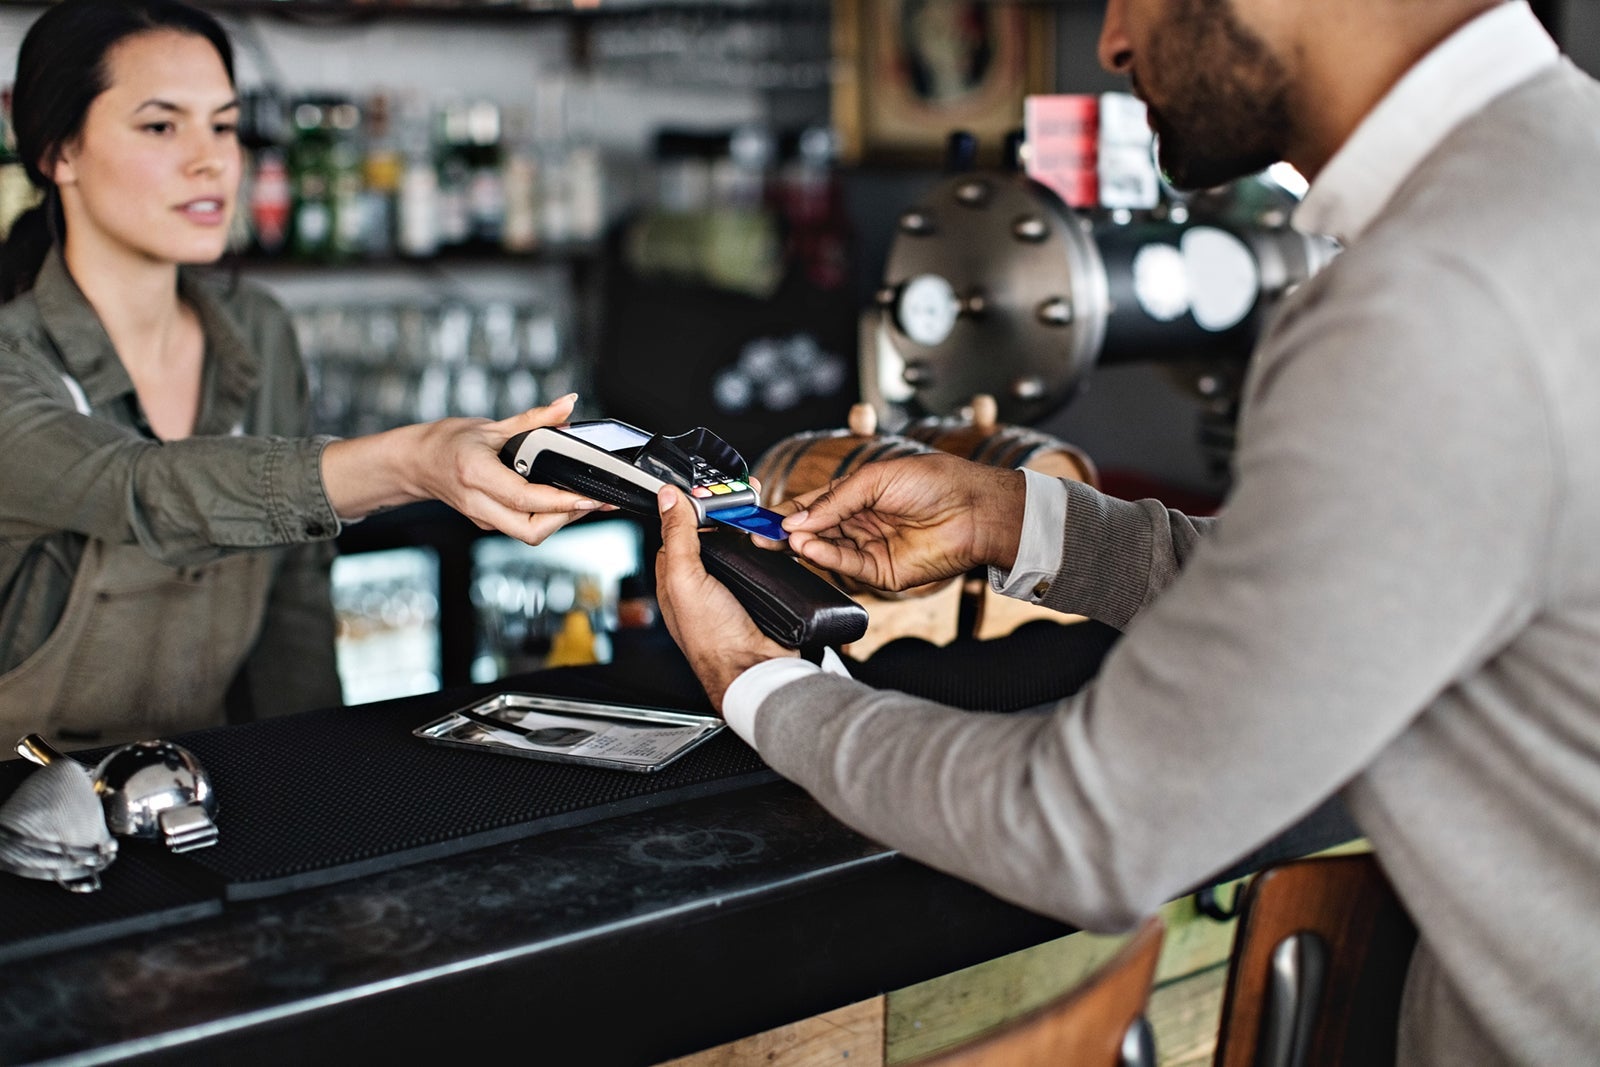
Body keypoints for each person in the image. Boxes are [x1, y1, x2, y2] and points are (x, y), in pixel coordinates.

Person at [654, 1, 1600, 1064]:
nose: (1110, 42)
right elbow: (1347, 603)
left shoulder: (1435, 295)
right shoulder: (1557, 183)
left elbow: (1088, 829)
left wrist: (753, 674)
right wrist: (1009, 514)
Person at [0, 0, 600, 748]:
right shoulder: (12, 362)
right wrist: (412, 460)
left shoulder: (256, 330)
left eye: (223, 124)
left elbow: (296, 601)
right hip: (28, 820)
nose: (211, 158)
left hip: (199, 800)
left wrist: (314, 779)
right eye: (161, 125)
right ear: (59, 153)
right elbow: (145, 488)